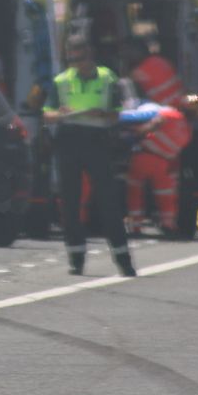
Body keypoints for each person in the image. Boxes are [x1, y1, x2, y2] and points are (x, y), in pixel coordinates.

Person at [43, 37, 151, 276]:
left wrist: (102, 114)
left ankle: (123, 260)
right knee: (69, 202)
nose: (75, 63)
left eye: (79, 58)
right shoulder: (62, 80)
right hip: (68, 140)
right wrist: (60, 115)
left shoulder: (107, 78)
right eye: (71, 58)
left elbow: (116, 114)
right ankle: (76, 258)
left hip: (97, 141)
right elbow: (47, 115)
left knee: (108, 201)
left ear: (90, 55)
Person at [127, 98, 194, 234]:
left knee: (135, 191)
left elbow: (154, 124)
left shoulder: (170, 114)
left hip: (144, 156)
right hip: (163, 163)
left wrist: (137, 132)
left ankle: (135, 225)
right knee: (165, 195)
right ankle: (168, 224)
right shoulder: (188, 132)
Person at [123, 37, 185, 109]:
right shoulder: (160, 60)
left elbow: (129, 93)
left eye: (128, 52)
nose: (126, 56)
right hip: (182, 103)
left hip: (166, 109)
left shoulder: (138, 72)